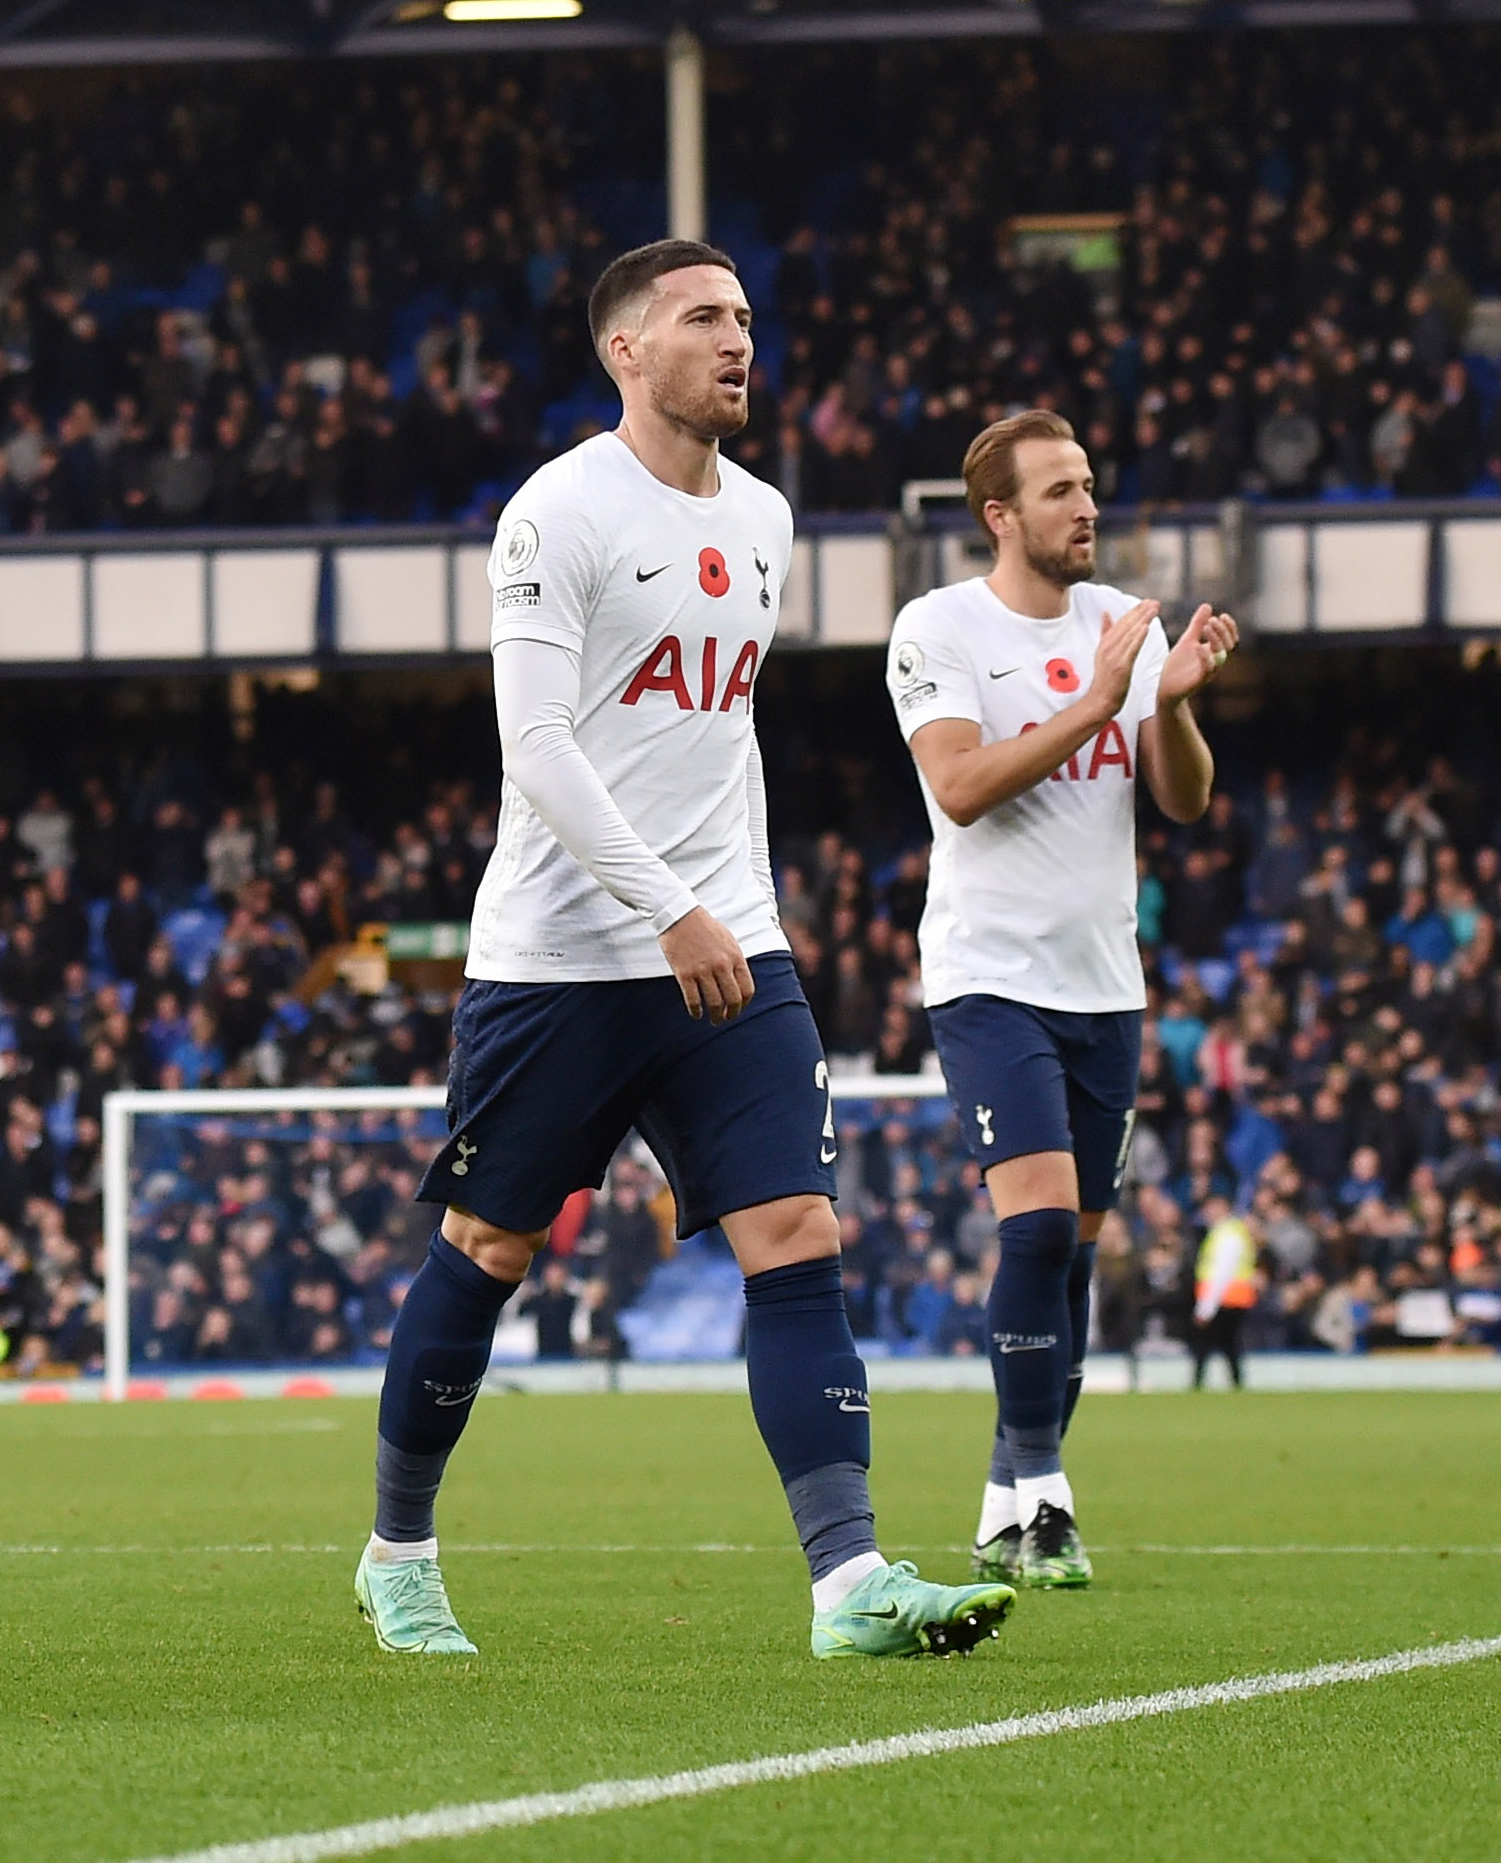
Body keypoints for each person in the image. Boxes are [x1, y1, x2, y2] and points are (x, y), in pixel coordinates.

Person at [355, 239, 1015, 1665]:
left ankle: (848, 1585)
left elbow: (706, 737)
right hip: (561, 953)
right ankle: (397, 1550)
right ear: (625, 350)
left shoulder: (767, 518)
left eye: (745, 319)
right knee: (488, 1247)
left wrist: (720, 904)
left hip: (730, 946)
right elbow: (533, 745)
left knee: (795, 1234)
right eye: (704, 319)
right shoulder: (556, 513)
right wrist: (664, 902)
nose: (737, 342)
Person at [883, 406, 1237, 1590]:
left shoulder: (1115, 624)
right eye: (1059, 491)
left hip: (1103, 984)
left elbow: (1179, 803)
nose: (1086, 506)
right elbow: (961, 787)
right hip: (988, 976)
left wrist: (1170, 701)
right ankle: (1044, 1482)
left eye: (1088, 485)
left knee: (1075, 1252)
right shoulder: (938, 627)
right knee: (1033, 1224)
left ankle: (1005, 1501)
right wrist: (1094, 701)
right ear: (999, 515)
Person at [1190, 1193, 1258, 1390]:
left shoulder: (1226, 1234)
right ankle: (1236, 1384)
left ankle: (1198, 1384)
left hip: (1225, 1299)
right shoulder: (1231, 1231)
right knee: (1230, 1347)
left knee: (1207, 1346)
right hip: (1233, 1299)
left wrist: (1205, 1308)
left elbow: (1221, 1273)